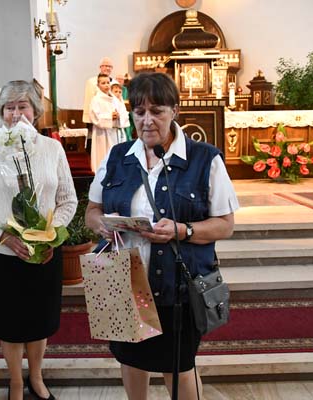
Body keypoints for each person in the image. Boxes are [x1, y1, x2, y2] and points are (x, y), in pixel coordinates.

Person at [85, 72, 239, 400]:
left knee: (178, 365)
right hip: (122, 280)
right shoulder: (117, 157)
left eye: (156, 111)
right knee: (130, 359)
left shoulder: (204, 158)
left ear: (175, 111)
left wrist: (183, 230)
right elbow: (92, 211)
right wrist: (102, 225)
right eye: (139, 112)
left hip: (177, 286)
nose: (147, 120)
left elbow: (225, 224)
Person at [0, 80, 77, 400]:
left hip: (44, 253)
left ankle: (36, 378)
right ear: (1, 112)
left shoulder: (52, 149)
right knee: (10, 324)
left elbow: (68, 200)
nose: (15, 114)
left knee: (40, 321)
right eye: (8, 107)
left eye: (22, 106)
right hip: (2, 255)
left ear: (35, 111)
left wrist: (50, 237)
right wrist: (4, 237)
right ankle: (15, 381)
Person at [89, 74, 129, 172]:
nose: (106, 85)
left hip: (115, 133)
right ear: (98, 85)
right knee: (103, 157)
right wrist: (110, 117)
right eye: (103, 83)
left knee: (116, 158)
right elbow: (95, 117)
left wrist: (119, 116)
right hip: (102, 134)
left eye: (108, 82)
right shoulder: (96, 99)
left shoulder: (115, 99)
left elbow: (124, 113)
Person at [82, 56, 113, 124]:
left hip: (111, 118)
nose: (108, 68)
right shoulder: (91, 82)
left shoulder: (114, 83)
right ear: (100, 67)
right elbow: (89, 100)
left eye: (110, 66)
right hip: (95, 118)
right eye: (105, 66)